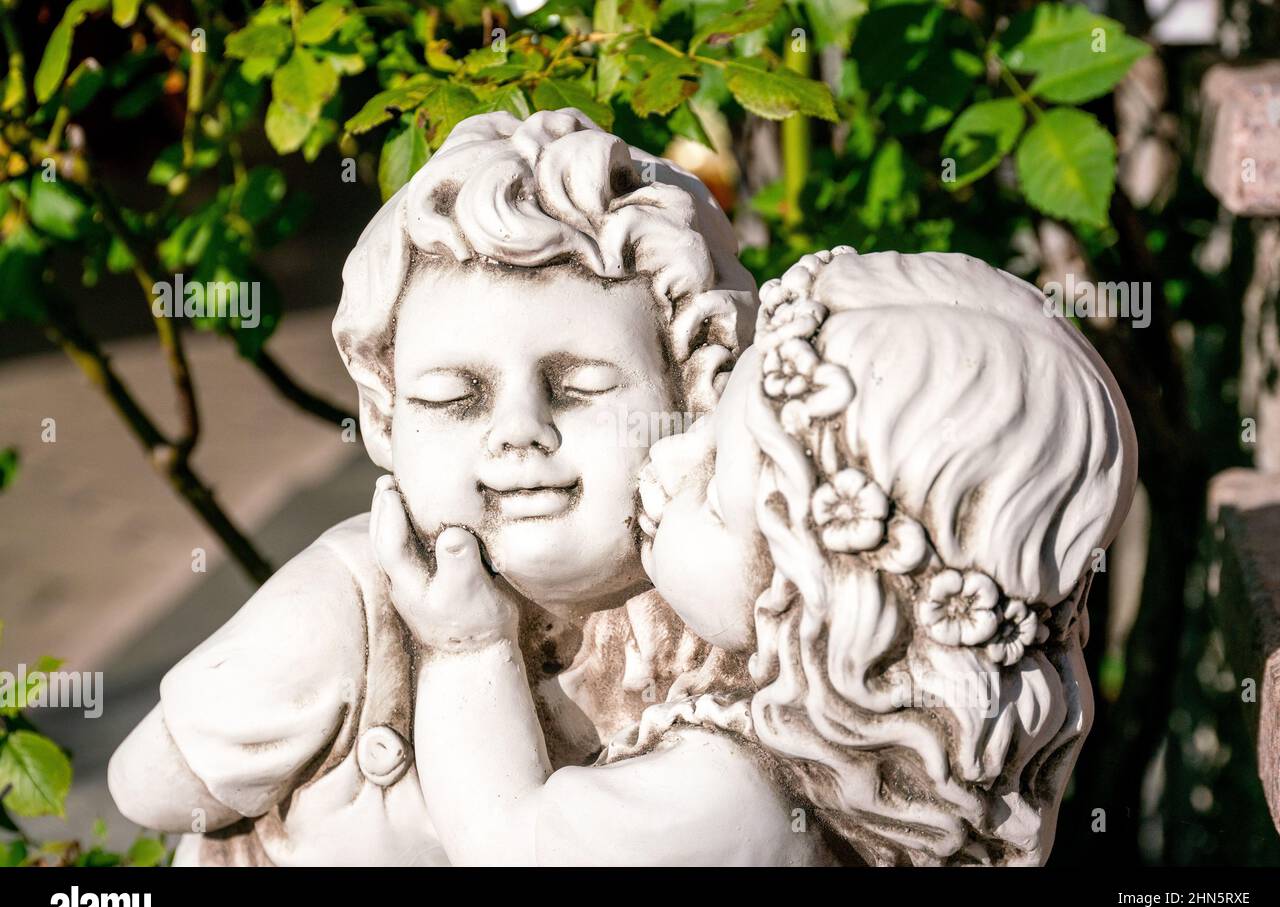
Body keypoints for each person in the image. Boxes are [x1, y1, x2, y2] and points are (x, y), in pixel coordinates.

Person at [107, 109, 756, 866]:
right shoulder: (347, 614)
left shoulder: (739, 621)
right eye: (456, 397)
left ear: (698, 388)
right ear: (382, 418)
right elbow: (147, 788)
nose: (519, 430)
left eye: (577, 386)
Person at [382, 248, 1137, 866]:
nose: (674, 455)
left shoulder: (730, 797)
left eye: (714, 492)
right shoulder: (895, 760)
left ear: (821, 598)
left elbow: (514, 846)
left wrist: (467, 649)